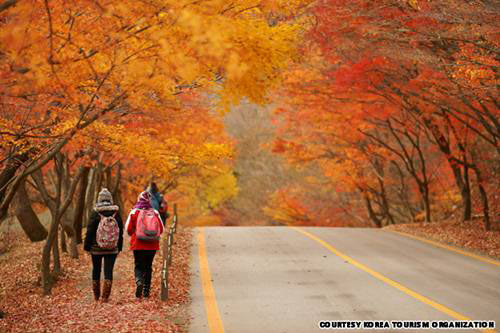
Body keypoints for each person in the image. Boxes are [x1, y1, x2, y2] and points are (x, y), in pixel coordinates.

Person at [84, 188, 123, 303]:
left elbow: (90, 231)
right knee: (108, 271)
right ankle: (105, 297)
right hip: (112, 248)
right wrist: (119, 246)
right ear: (110, 199)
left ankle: (96, 296)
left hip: (96, 248)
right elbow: (120, 231)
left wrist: (87, 246)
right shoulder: (116, 213)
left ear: (99, 199)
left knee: (96, 269)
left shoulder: (95, 213)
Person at [125, 191, 164, 299]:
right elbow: (161, 229)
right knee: (148, 267)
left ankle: (139, 282)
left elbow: (127, 229)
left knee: (138, 265)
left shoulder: (134, 212)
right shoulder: (155, 212)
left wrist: (133, 233)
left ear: (139, 199)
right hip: (152, 244)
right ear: (149, 201)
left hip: (138, 243)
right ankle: (146, 292)